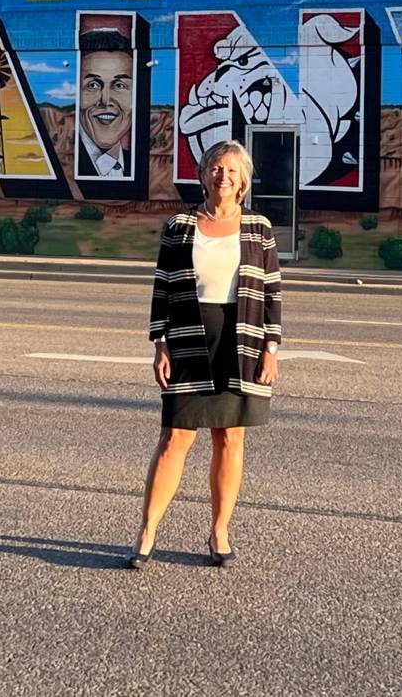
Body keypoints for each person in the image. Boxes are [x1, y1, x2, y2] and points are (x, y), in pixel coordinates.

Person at [126, 138, 282, 569]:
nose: (224, 176)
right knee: (176, 436)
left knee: (231, 437)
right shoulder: (179, 225)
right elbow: (162, 287)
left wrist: (271, 349)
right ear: (204, 174)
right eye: (216, 167)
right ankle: (146, 533)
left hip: (243, 341)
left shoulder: (259, 228)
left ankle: (219, 532)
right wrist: (160, 343)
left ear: (243, 181)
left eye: (232, 170)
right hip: (189, 338)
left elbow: (271, 293)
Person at [76, 27, 135, 179]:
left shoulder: (146, 169)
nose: (106, 100)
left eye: (119, 85)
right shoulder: (62, 164)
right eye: (93, 85)